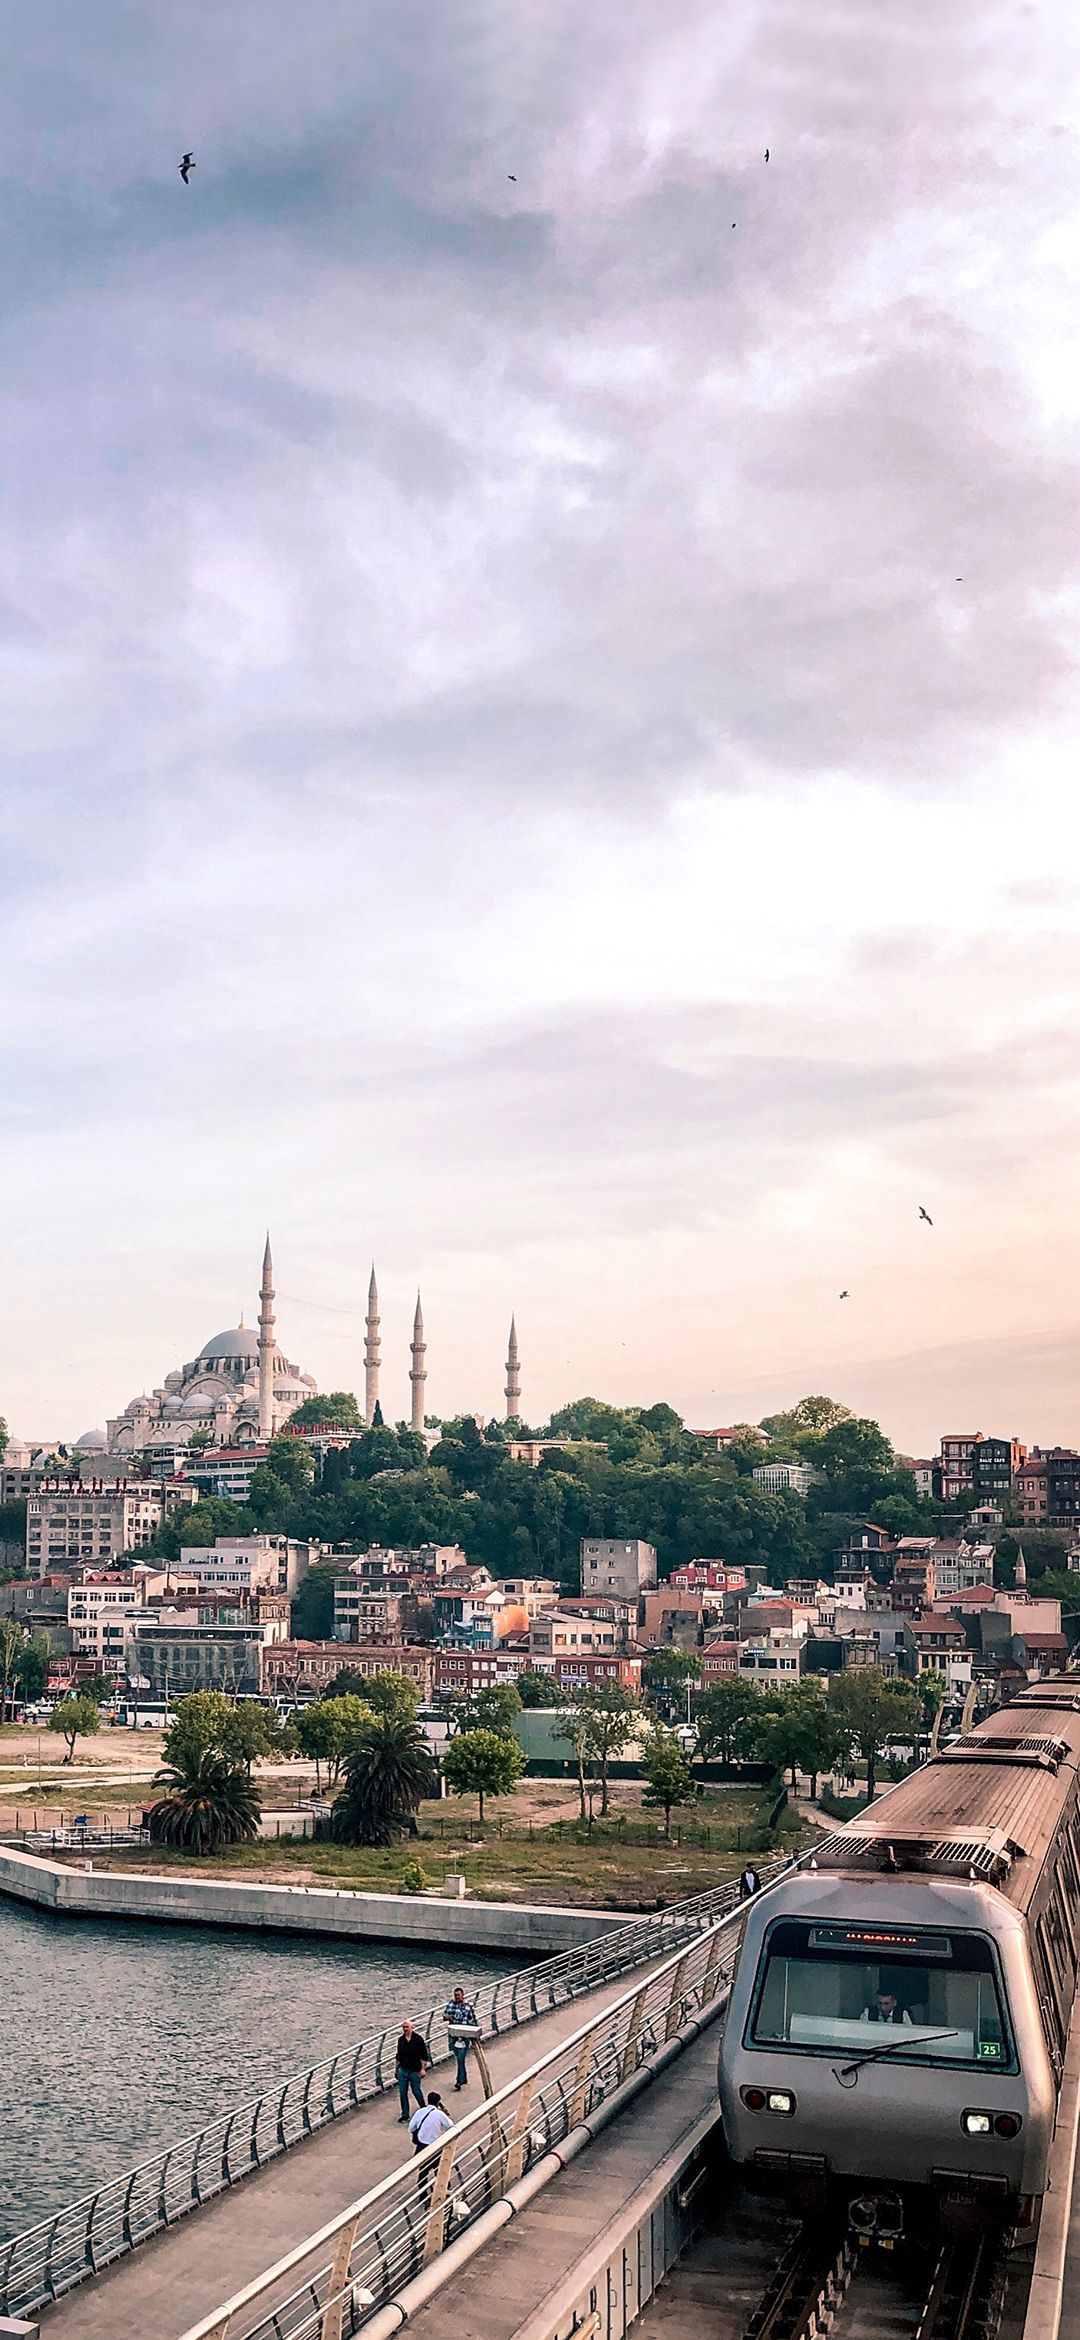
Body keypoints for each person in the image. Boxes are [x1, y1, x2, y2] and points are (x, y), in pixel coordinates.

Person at [394, 2018, 431, 2121]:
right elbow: (398, 2056)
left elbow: (424, 2055)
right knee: (402, 2092)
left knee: (416, 2090)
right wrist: (396, 2070)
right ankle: (405, 2114)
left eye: (407, 2027)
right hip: (403, 2069)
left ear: (412, 2027)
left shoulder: (418, 2039)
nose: (405, 2029)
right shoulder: (401, 2040)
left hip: (415, 2070)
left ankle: (424, 2108)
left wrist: (423, 2069)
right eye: (403, 2027)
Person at [443, 1986, 479, 2090]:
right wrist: (447, 2017)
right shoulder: (450, 2004)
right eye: (455, 1995)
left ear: (463, 1995)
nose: (457, 1997)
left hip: (464, 2035)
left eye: (458, 1995)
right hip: (453, 2036)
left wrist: (476, 2034)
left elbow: (473, 2020)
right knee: (459, 2058)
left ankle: (459, 2081)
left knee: (460, 2058)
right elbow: (444, 2015)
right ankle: (464, 2078)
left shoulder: (468, 2006)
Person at [409, 2090, 455, 2155]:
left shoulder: (420, 2111)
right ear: (438, 2102)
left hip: (421, 2142)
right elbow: (450, 2125)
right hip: (435, 2143)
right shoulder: (440, 2114)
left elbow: (411, 2128)